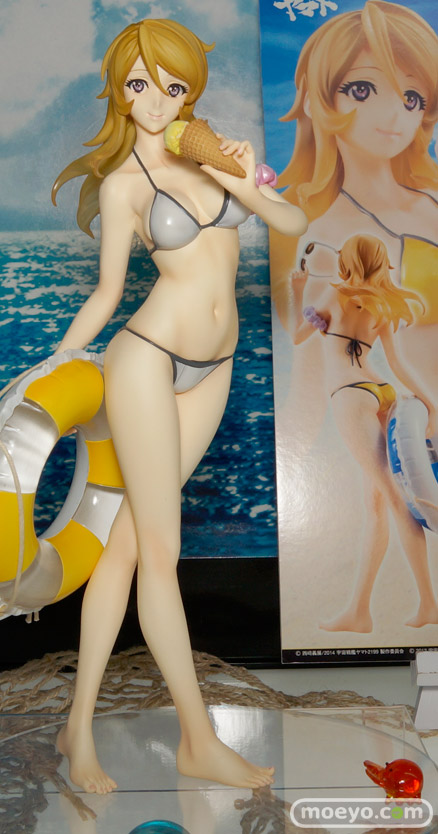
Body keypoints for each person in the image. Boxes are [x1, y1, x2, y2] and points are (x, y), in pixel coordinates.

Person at [50, 18, 307, 794]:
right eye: (138, 85)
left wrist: (245, 177)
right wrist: (52, 366)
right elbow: (107, 294)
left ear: (189, 88)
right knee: (160, 552)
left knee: (129, 545)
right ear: (119, 94)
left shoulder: (215, 155)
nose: (156, 100)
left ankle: (75, 727)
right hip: (148, 360)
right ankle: (198, 738)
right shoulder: (125, 186)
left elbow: (291, 222)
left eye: (170, 84)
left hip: (215, 365)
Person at [269, 0, 438, 446]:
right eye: (362, 90)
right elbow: (309, 374)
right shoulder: (323, 235)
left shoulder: (433, 198)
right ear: (315, 99)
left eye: (412, 98)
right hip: (413, 432)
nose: (394, 115)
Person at [291, 234, 438, 633]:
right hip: (382, 391)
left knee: (393, 498)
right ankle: (358, 612)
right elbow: (397, 363)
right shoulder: (382, 304)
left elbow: (298, 335)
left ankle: (430, 604)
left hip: (351, 397)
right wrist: (430, 403)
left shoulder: (334, 294)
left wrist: (298, 291)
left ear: (349, 260)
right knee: (376, 506)